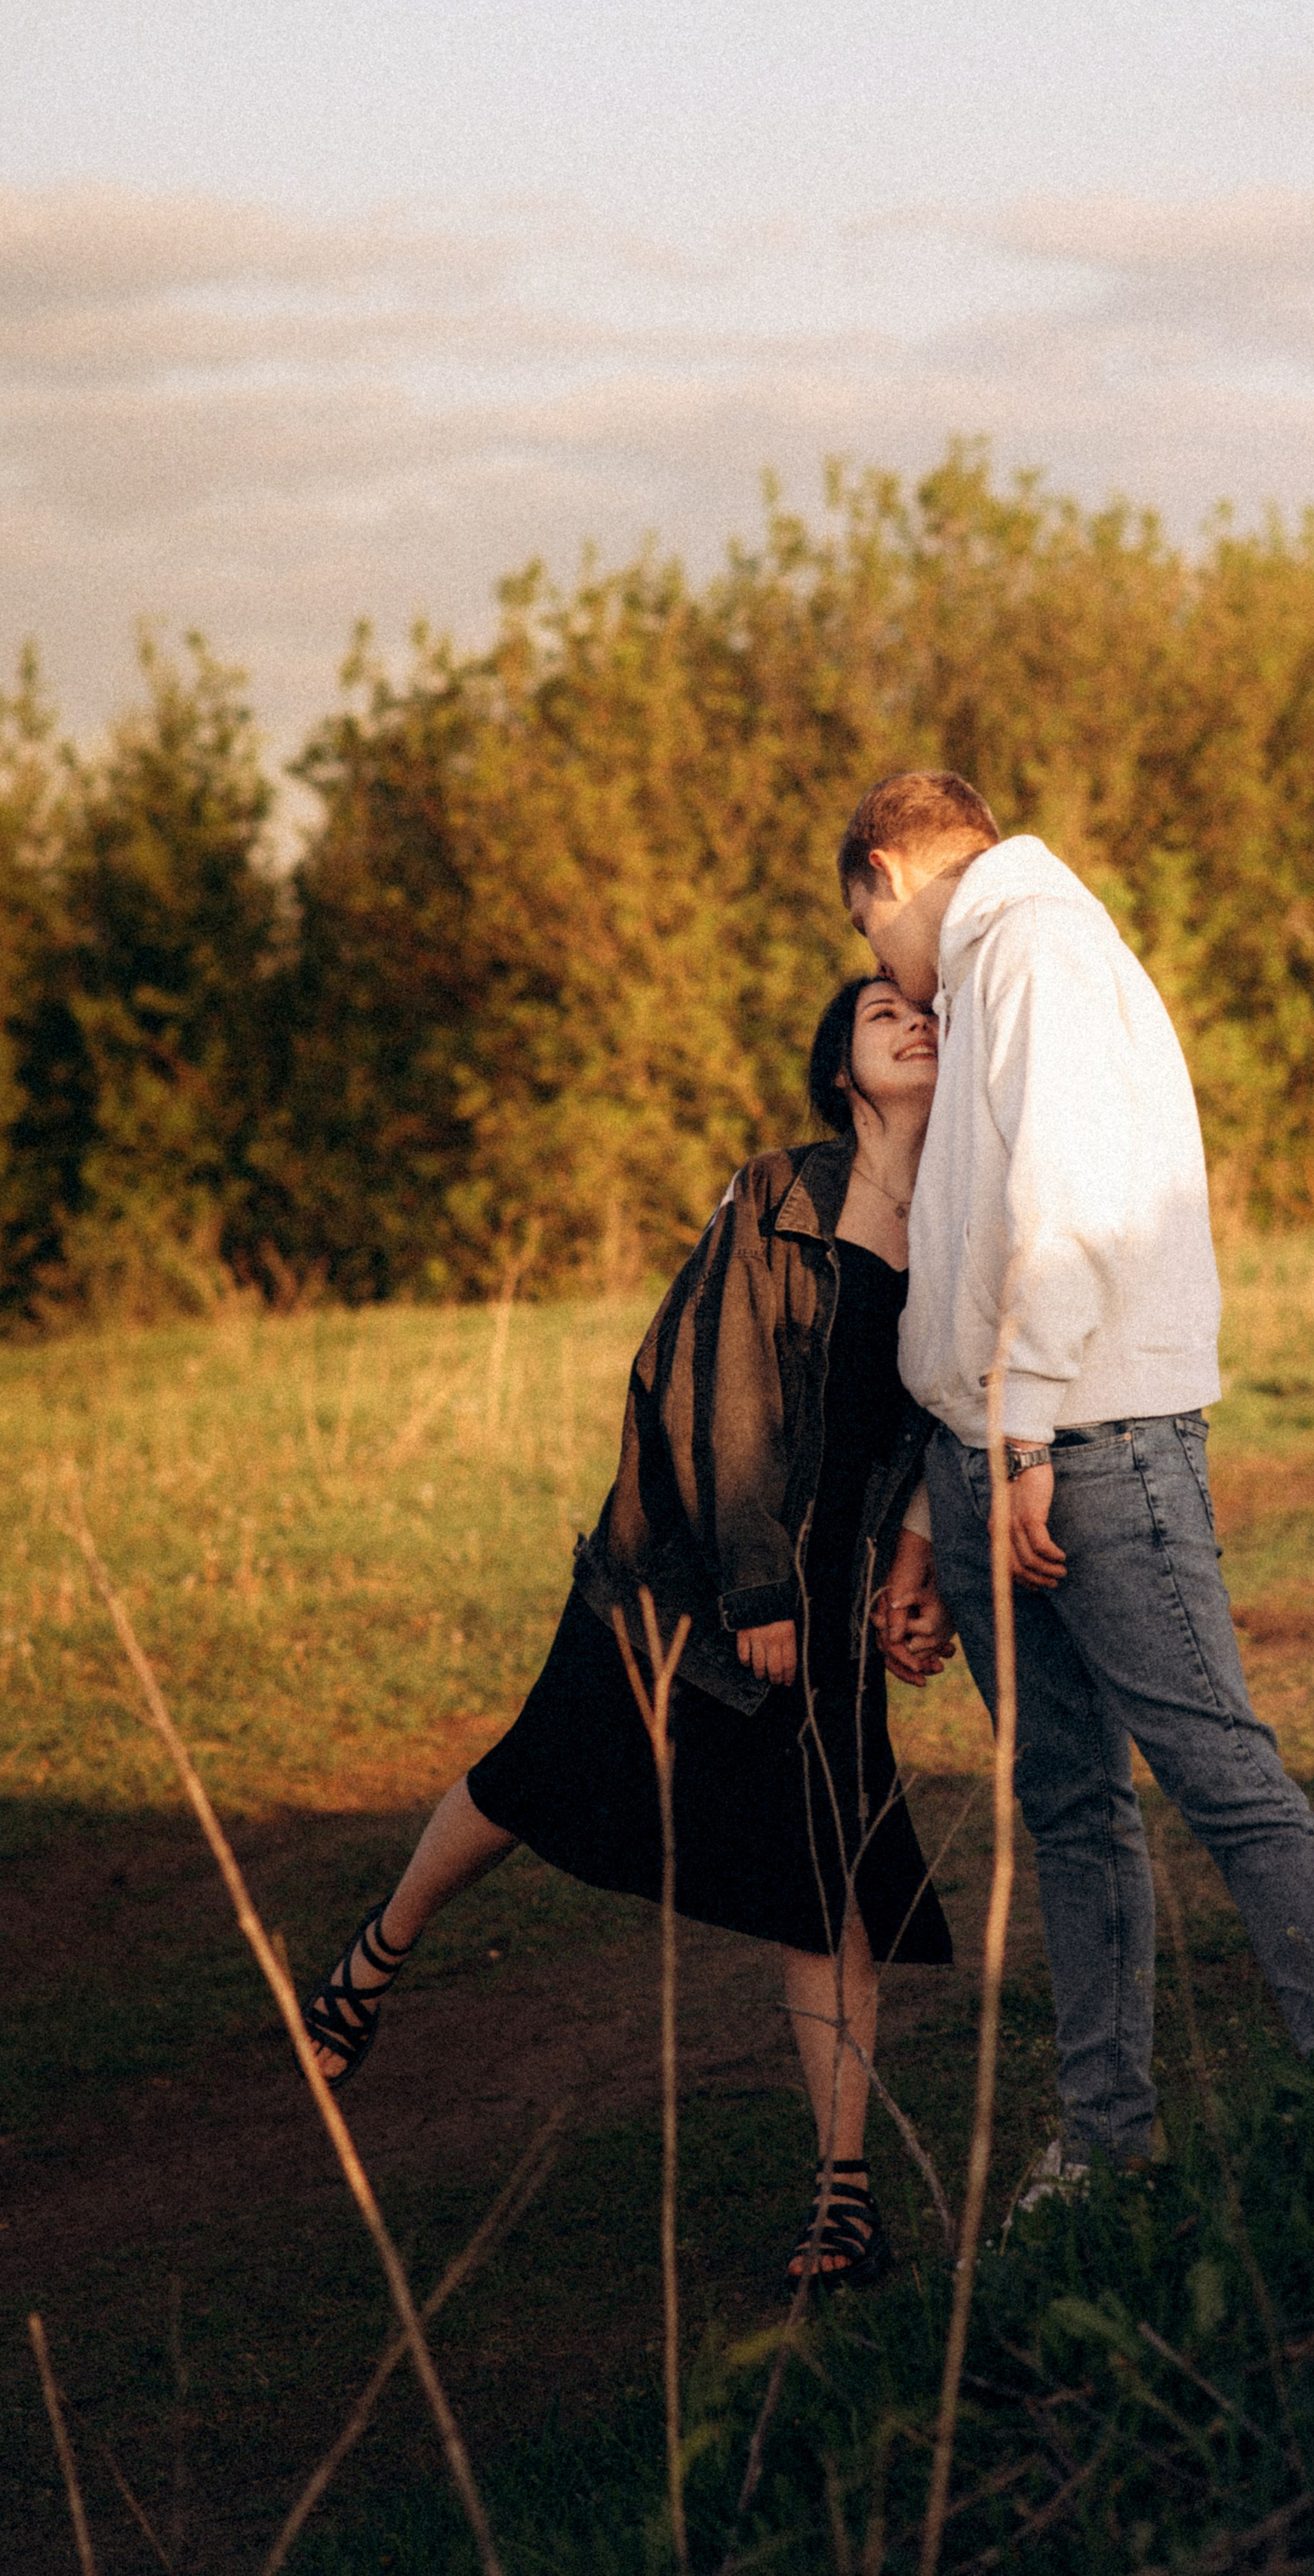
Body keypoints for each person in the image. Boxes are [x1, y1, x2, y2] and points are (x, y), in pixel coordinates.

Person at [302, 974, 956, 2289]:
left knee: (821, 1879)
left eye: (927, 1007)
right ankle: (373, 1957)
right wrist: (755, 1588)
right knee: (536, 1776)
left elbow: (943, 1410)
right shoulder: (778, 1192)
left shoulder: (959, 1221)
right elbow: (710, 1389)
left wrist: (908, 1571)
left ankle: (845, 2204)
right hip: (681, 1578)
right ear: (841, 1066)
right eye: (884, 1010)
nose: (915, 1018)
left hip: (830, 1611)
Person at [841, 769, 1314, 2193]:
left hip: (1088, 1452)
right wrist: (925, 1516)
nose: (877, 970)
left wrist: (1023, 1436)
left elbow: (1070, 1204)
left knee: (1221, 1773)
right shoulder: (985, 976)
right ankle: (1105, 2150)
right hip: (995, 1458)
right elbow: (964, 1268)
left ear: (888, 876)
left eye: (865, 930)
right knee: (1071, 1813)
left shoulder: (1036, 945)